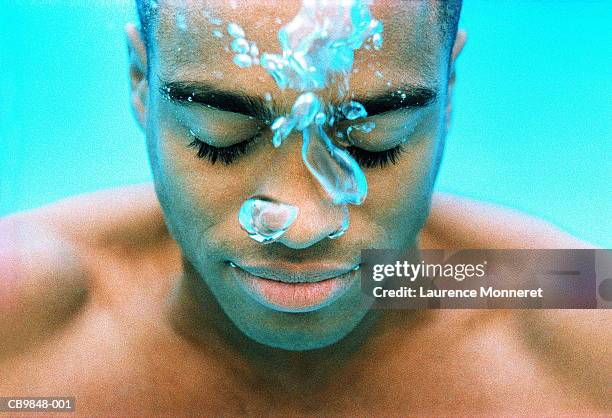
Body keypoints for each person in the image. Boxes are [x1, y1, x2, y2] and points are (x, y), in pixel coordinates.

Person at [0, 0, 609, 415]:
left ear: (447, 91)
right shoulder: (19, 317)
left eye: (377, 142)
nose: (303, 225)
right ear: (140, 81)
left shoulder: (582, 324)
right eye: (220, 138)